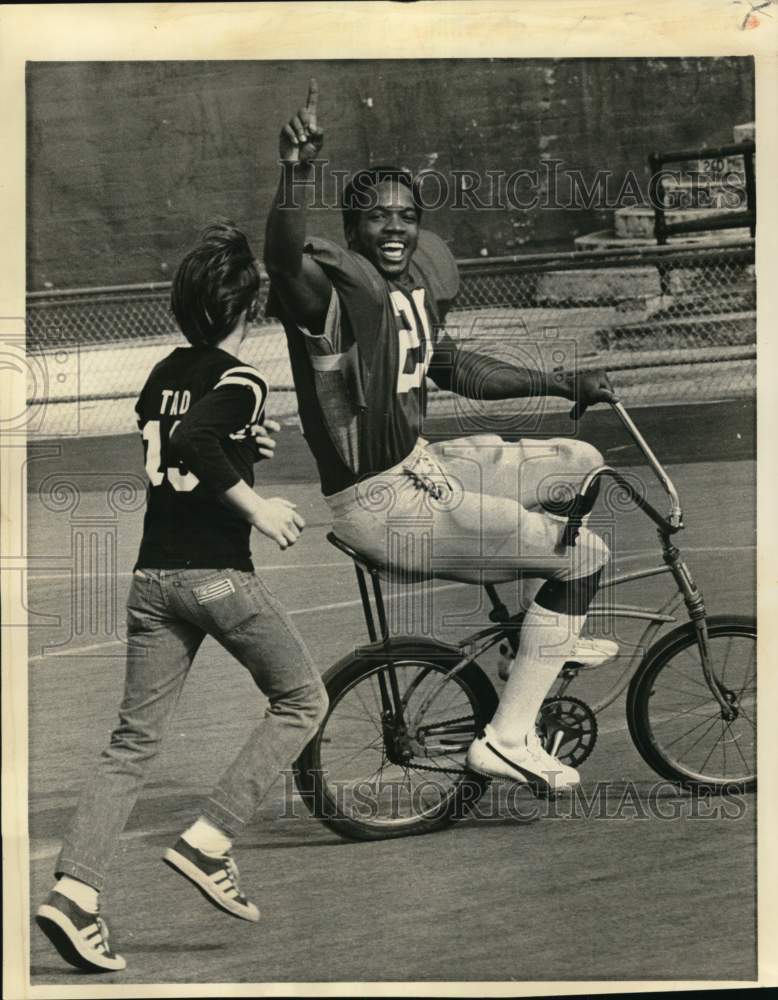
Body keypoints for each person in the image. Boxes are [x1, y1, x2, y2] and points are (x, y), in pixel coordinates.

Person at [265, 81, 616, 797]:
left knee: (580, 462)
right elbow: (281, 256)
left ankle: (538, 639)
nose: (394, 228)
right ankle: (509, 737)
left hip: (420, 470)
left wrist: (558, 383)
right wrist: (298, 170)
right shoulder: (331, 299)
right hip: (385, 502)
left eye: (405, 217)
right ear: (351, 227)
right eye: (375, 217)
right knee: (585, 556)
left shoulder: (407, 291)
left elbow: (453, 366)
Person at [35, 223, 328, 973]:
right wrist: (260, 507)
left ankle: (74, 894)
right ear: (250, 312)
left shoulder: (161, 370)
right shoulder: (245, 379)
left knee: (131, 744)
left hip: (150, 578)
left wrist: (244, 449)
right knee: (302, 699)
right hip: (216, 577)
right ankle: (209, 840)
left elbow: (174, 438)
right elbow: (198, 438)